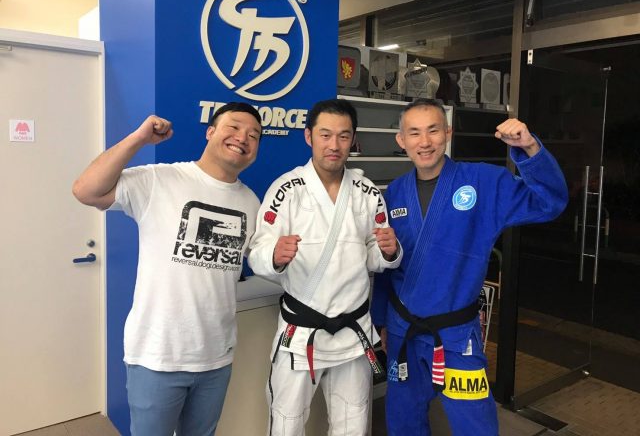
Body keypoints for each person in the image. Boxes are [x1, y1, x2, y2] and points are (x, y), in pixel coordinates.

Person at [371, 98, 568, 436]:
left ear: (447, 133)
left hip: (457, 334)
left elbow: (549, 202)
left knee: (475, 425)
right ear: (401, 140)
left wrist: (530, 149)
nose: (425, 142)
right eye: (414, 133)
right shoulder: (394, 194)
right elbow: (385, 266)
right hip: (403, 331)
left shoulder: (482, 182)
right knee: (403, 421)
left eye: (433, 130)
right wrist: (381, 322)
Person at [72, 102, 263, 436]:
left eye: (254, 135)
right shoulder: (161, 179)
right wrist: (138, 139)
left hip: (216, 357)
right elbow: (86, 190)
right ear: (211, 132)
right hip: (157, 355)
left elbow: (256, 259)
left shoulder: (250, 201)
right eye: (233, 127)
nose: (242, 138)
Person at [247, 99, 402, 436]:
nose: (334, 145)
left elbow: (374, 254)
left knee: (353, 425)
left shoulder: (366, 192)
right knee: (286, 424)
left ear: (353, 140)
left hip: (353, 331)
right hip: (301, 332)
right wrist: (274, 255)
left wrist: (388, 252)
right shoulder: (286, 189)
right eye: (325, 135)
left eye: (343, 136)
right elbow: (257, 252)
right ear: (309, 137)